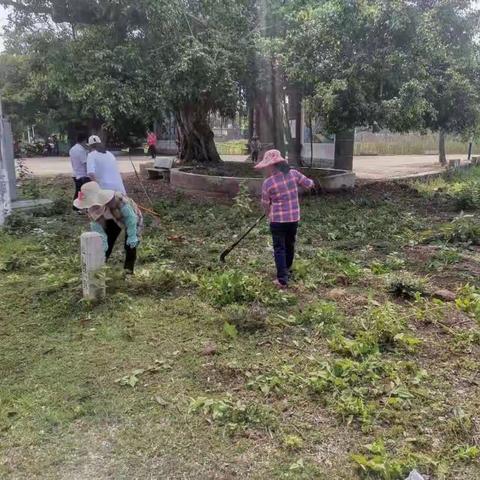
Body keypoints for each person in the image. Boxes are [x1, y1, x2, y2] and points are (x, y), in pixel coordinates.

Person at [255, 149, 315, 288]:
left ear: (271, 165)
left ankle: (282, 280)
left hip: (277, 221)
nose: (266, 169)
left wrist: (268, 213)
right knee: (289, 245)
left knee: (279, 248)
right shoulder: (293, 174)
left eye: (267, 166)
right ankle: (286, 270)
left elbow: (265, 203)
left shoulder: (268, 183)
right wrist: (312, 184)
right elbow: (309, 183)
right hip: (293, 219)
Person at [73, 181, 143, 274]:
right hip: (111, 219)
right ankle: (100, 269)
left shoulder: (117, 199)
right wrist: (102, 239)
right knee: (106, 243)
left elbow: (131, 218)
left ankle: (129, 271)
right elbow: (97, 226)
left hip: (131, 217)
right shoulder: (90, 209)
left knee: (130, 245)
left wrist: (132, 235)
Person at [70, 134, 91, 211]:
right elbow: (85, 163)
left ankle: (77, 207)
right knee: (85, 192)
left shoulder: (72, 149)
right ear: (84, 140)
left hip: (75, 173)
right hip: (83, 174)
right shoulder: (81, 150)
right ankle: (81, 207)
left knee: (79, 191)